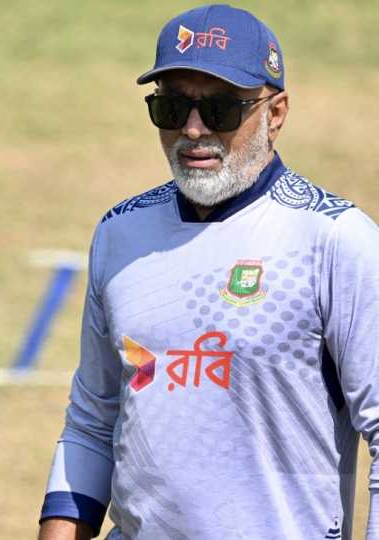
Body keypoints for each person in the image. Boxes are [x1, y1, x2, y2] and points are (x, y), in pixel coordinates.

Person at [38, 5, 379, 539]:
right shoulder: (120, 234)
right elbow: (91, 421)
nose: (192, 130)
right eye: (171, 107)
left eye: (220, 108)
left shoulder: (334, 240)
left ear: (276, 112)